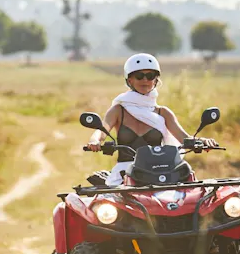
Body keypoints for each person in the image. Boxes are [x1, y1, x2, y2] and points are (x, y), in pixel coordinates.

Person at [86, 53, 218, 186]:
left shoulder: (163, 113)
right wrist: (94, 140)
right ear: (129, 80)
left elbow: (184, 138)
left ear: (155, 80)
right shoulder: (118, 110)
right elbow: (102, 130)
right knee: (108, 203)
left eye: (150, 76)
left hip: (160, 173)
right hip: (125, 172)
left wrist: (202, 141)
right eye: (139, 76)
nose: (145, 80)